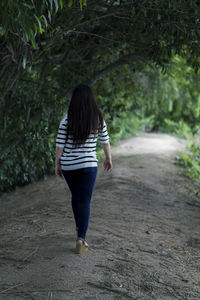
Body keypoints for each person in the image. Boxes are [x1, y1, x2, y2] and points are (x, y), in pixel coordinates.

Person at [55, 84, 112, 254]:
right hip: (88, 165)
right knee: (85, 200)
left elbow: (59, 145)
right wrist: (108, 158)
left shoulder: (67, 119)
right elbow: (105, 141)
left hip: (69, 166)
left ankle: (79, 229)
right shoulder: (98, 118)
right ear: (91, 99)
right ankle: (81, 238)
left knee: (76, 197)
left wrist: (57, 163)